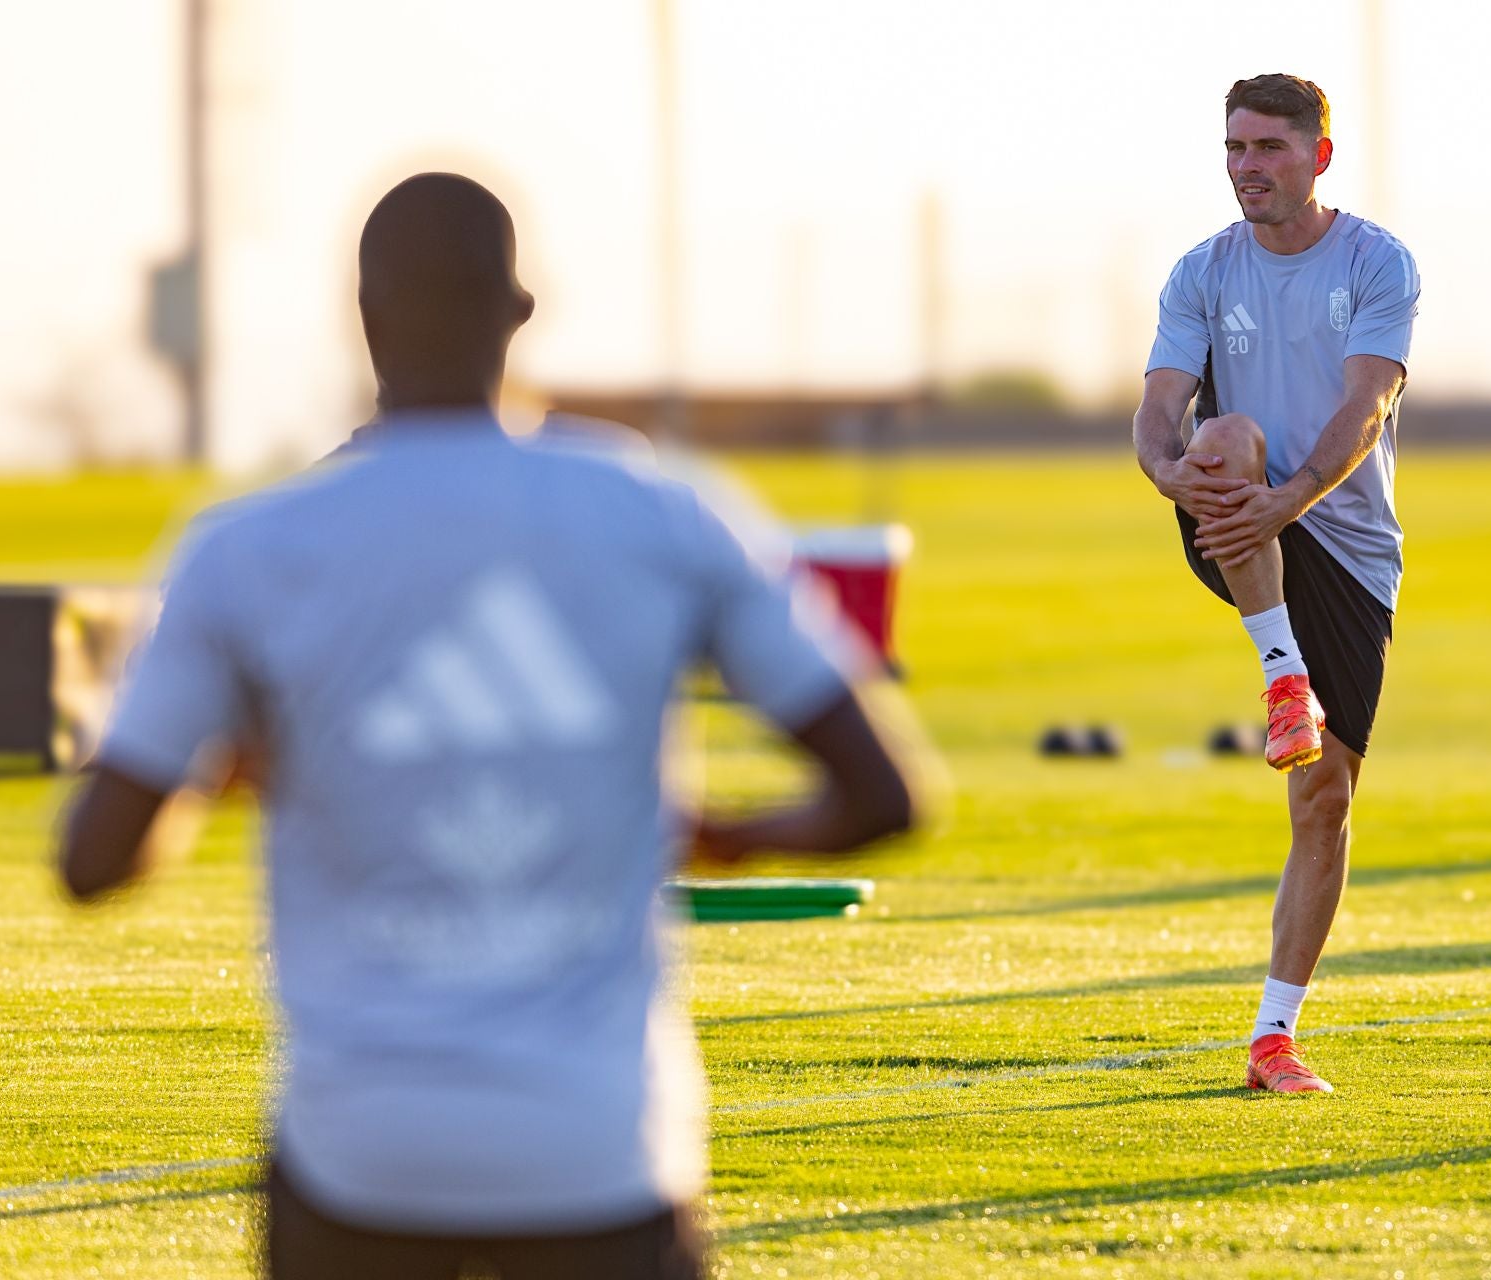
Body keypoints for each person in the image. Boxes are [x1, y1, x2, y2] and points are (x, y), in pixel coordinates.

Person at [55, 172, 917, 1278]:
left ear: (359, 315)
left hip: (359, 1161)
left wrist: (233, 763)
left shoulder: (243, 548)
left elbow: (92, 861)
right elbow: (884, 797)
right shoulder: (660, 508)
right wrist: (722, 832)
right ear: (520, 309)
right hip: (602, 1152)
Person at [1132, 75, 1419, 1094]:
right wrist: (1179, 477)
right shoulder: (1201, 272)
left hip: (1342, 539)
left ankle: (1272, 1037)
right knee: (1224, 432)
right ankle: (1280, 673)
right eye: (1234, 147)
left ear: (1318, 157)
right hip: (1232, 509)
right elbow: (1159, 412)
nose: (1246, 166)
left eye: (1267, 149)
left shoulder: (1376, 261)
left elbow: (1367, 405)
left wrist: (1287, 501)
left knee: (1324, 800)